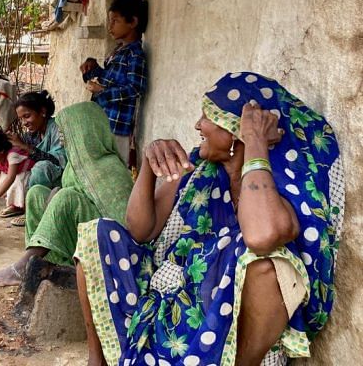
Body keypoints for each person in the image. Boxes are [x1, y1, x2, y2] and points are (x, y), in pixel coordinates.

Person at [74, 72, 344, 366]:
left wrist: (254, 144)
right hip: (171, 298)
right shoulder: (196, 170)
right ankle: (97, 361)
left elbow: (262, 237)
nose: (198, 125)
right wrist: (150, 168)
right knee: (99, 233)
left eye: (208, 117)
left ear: (234, 131)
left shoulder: (277, 183)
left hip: (218, 316)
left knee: (268, 264)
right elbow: (140, 230)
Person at [0, 101, 134, 287]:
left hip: (110, 248)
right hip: (81, 238)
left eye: (65, 131)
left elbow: (126, 225)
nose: (61, 137)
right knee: (37, 193)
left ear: (84, 130)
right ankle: (46, 263)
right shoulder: (74, 165)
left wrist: (64, 200)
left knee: (66, 197)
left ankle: (24, 266)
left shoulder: (109, 166)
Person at [80, 0, 148, 166]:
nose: (110, 26)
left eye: (115, 21)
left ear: (132, 22)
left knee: (115, 170)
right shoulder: (118, 50)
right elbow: (111, 79)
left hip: (118, 126)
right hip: (104, 121)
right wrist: (93, 68)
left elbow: (135, 88)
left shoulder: (135, 54)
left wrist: (102, 91)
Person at [6, 90, 67, 226]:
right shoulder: (33, 134)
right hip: (45, 179)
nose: (24, 123)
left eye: (27, 116)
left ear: (42, 112)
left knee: (41, 168)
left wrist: (23, 145)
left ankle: (32, 214)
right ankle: (20, 205)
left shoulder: (56, 128)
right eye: (21, 119)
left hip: (61, 177)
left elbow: (57, 161)